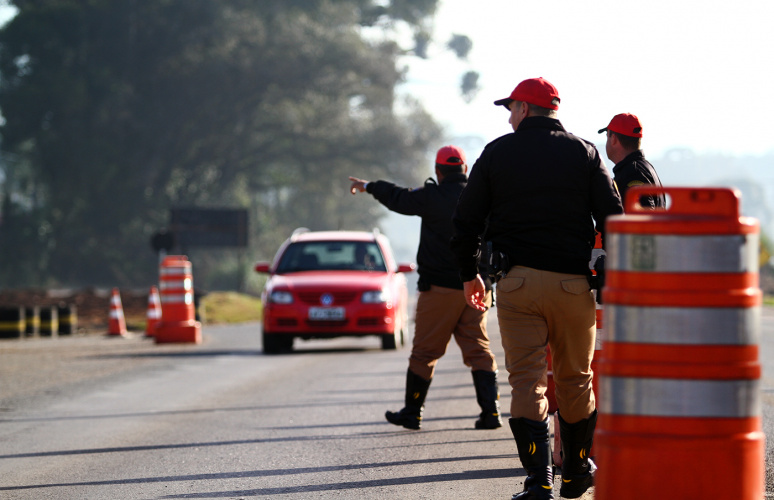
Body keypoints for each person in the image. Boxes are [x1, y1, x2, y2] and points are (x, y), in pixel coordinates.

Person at [450, 78, 623, 500]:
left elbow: (466, 222)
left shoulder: (497, 152)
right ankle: (578, 470)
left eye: (511, 108)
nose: (509, 117)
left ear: (526, 109)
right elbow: (614, 217)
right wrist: (608, 270)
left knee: (527, 382)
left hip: (518, 283)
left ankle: (538, 480)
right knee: (576, 380)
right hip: (572, 284)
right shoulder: (584, 151)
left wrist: (470, 275)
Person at [348, 145, 502, 431]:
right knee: (479, 350)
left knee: (424, 353)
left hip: (440, 289)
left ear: (438, 171)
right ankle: (491, 413)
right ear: (465, 170)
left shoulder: (432, 196)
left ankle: (412, 412)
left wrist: (369, 186)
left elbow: (399, 197)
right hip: (479, 287)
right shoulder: (483, 197)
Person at [598, 113, 665, 209]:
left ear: (613, 139)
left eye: (607, 136)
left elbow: (642, 218)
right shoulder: (643, 168)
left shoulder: (632, 172)